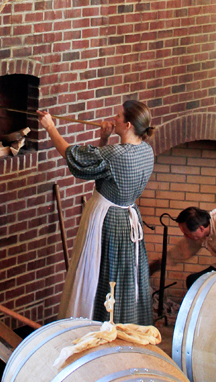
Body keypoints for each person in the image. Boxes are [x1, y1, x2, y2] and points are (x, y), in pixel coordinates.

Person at [37, 100, 155, 325]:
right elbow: (103, 166)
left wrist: (50, 127)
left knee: (102, 274)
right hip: (128, 218)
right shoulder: (146, 151)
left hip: (108, 220)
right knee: (123, 276)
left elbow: (73, 157)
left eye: (118, 116)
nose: (114, 118)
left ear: (128, 124)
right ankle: (124, 321)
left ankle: (94, 323)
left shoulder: (117, 154)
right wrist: (104, 139)